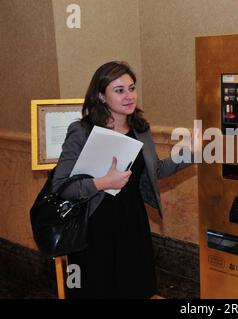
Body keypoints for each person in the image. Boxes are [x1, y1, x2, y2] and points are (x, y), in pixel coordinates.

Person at [52, 61, 193, 298]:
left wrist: (193, 153)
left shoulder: (140, 128)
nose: (129, 96)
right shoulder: (82, 131)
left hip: (132, 223)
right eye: (119, 90)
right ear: (101, 96)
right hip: (94, 229)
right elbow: (61, 187)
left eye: (132, 88)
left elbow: (155, 170)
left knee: (134, 287)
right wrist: (103, 183)